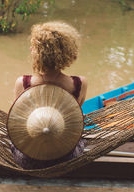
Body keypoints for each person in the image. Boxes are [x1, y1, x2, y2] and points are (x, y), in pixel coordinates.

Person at [11, 21, 87, 169]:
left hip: (27, 159)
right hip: (67, 158)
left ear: (38, 54)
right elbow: (75, 114)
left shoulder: (23, 83)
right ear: (68, 53)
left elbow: (17, 120)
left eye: (33, 47)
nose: (30, 48)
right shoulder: (79, 84)